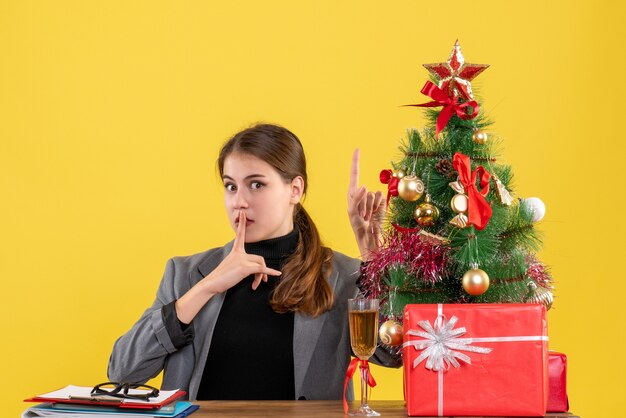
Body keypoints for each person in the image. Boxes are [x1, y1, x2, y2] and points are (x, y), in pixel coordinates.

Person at [107, 123, 400, 401]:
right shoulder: (185, 274)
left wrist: (376, 264)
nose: (240, 201)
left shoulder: (342, 276)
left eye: (256, 185)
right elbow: (123, 372)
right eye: (231, 186)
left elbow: (393, 354)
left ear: (295, 190)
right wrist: (206, 287)